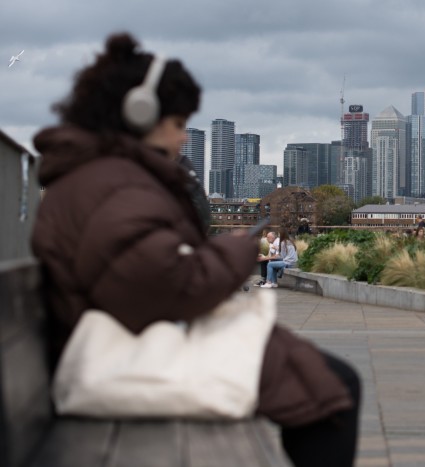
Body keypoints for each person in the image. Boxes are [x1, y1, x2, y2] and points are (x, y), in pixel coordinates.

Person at [30, 33, 359, 466]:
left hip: (126, 340)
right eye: (180, 123)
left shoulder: (101, 178)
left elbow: (146, 270)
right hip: (130, 357)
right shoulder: (114, 185)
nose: (185, 138)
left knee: (325, 381)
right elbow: (170, 285)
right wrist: (238, 253)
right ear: (141, 114)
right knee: (331, 390)